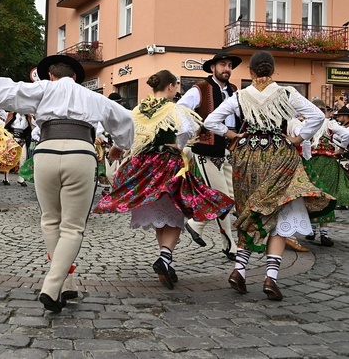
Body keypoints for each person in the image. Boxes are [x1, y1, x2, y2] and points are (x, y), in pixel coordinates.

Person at [0, 54, 134, 313]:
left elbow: (7, 90)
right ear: (74, 78)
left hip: (46, 152)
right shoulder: (93, 97)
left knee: (50, 219)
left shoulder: (43, 89)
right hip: (80, 154)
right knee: (72, 227)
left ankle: (66, 283)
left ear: (50, 75)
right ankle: (52, 284)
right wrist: (119, 147)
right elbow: (124, 119)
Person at [205, 51, 331, 301]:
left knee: (249, 210)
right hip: (279, 155)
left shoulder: (240, 95)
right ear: (273, 71)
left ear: (250, 72)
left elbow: (211, 122)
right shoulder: (287, 93)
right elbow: (317, 116)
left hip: (247, 157)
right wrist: (298, 137)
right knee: (279, 211)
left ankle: (239, 271)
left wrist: (232, 136)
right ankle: (270, 278)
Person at [94, 70, 233, 290]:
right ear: (170, 87)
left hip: (144, 168)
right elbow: (186, 134)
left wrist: (116, 149)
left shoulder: (138, 110)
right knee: (174, 213)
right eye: (175, 87)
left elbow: (126, 134)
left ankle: (166, 260)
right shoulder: (175, 110)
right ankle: (165, 257)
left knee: (161, 214)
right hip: (168, 165)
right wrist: (178, 146)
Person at [177, 52, 241, 262]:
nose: (227, 69)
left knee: (230, 197)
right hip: (206, 149)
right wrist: (194, 131)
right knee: (221, 195)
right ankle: (197, 223)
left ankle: (229, 245)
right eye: (223, 64)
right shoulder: (200, 89)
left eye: (230, 65)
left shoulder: (233, 91)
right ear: (212, 67)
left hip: (229, 149)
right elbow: (181, 111)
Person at [299, 99, 349, 247]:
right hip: (328, 163)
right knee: (327, 196)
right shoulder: (330, 124)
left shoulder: (305, 124)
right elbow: (347, 135)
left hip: (311, 163)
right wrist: (340, 150)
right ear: (325, 111)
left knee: (312, 196)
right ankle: (324, 234)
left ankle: (312, 230)